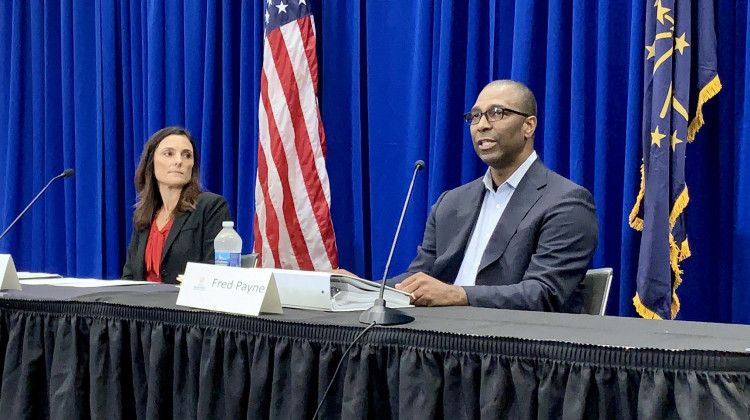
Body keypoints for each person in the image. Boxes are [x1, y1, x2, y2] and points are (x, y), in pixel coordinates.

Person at [389, 80, 598, 312]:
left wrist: (458, 294)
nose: (481, 125)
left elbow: (543, 293)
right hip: (439, 339)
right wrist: (356, 288)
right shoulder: (450, 203)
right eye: (475, 116)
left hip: (514, 341)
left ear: (528, 126)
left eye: (496, 113)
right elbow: (417, 278)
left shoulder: (567, 202)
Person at [122, 126, 233, 284]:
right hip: (143, 305)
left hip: (186, 305)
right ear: (151, 162)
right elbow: (129, 276)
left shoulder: (211, 206)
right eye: (169, 154)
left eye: (187, 155)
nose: (179, 161)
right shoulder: (142, 216)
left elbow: (215, 272)